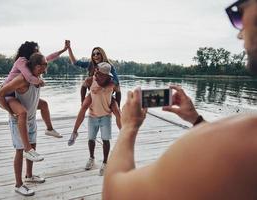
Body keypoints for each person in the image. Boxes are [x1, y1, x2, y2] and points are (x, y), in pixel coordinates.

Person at [103, 0, 257, 199]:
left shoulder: (236, 146)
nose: (239, 32)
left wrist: (129, 127)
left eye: (237, 13)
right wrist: (196, 120)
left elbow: (114, 193)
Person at [0, 41, 66, 161]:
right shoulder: (22, 61)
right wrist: (39, 81)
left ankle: (49, 129)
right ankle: (27, 149)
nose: (38, 52)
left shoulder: (32, 62)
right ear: (28, 51)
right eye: (36, 50)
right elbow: (28, 77)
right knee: (22, 112)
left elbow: (48, 58)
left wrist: (63, 50)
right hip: (7, 95)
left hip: (16, 93)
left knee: (43, 105)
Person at [0, 53, 47, 196]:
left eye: (45, 65)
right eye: (42, 65)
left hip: (31, 119)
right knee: (20, 151)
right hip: (19, 120)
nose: (45, 68)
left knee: (33, 147)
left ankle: (29, 176)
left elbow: (32, 98)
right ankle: (18, 185)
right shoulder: (22, 79)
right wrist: (10, 111)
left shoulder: (36, 78)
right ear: (35, 66)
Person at [66, 41, 121, 146]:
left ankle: (123, 135)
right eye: (94, 54)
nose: (95, 55)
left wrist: (104, 89)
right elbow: (75, 62)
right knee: (84, 106)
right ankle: (74, 133)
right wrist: (69, 48)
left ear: (102, 54)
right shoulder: (91, 65)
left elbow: (116, 82)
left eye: (98, 53)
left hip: (107, 94)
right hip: (93, 94)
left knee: (117, 111)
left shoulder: (109, 66)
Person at [83, 62, 121, 176]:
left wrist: (117, 105)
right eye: (97, 71)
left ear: (107, 75)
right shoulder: (91, 80)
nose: (97, 73)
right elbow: (83, 87)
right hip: (92, 115)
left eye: (100, 72)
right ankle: (91, 158)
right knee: (91, 139)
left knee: (105, 139)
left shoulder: (112, 82)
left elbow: (118, 92)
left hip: (106, 115)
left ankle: (105, 162)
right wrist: (82, 101)